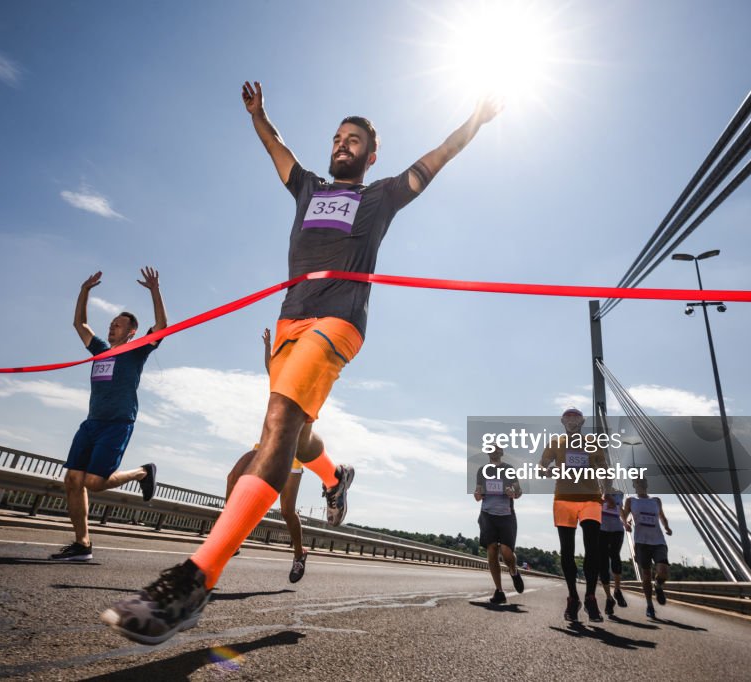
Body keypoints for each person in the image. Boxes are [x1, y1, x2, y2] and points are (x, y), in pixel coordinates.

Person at [101, 80, 502, 644]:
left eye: (353, 140)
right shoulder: (309, 188)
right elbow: (276, 148)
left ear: (371, 155)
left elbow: (434, 159)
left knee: (278, 426)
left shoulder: (382, 195)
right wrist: (259, 115)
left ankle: (193, 582)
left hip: (338, 321)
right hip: (291, 319)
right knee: (296, 428)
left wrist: (474, 120)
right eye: (337, 137)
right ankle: (335, 476)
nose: (342, 144)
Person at [49, 267, 167, 562]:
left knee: (94, 482)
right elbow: (79, 323)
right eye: (111, 323)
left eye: (118, 325)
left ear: (131, 332)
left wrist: (155, 290)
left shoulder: (137, 350)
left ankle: (142, 472)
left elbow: (162, 325)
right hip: (91, 423)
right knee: (73, 480)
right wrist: (84, 291)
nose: (112, 327)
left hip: (118, 422)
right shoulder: (100, 349)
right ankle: (82, 544)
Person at [225, 327, 330, 583]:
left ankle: (299, 553)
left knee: (286, 511)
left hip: (292, 453)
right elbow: (271, 368)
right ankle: (232, 535)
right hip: (265, 445)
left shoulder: (308, 383)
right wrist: (268, 347)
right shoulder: (282, 380)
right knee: (233, 477)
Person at [539, 407, 613, 623]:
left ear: (582, 422)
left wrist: (607, 489)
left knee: (593, 548)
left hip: (591, 499)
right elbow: (541, 465)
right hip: (564, 499)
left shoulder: (592, 442)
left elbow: (604, 467)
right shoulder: (555, 443)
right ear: (562, 421)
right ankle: (573, 597)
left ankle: (590, 597)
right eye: (568, 417)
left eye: (576, 417)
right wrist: (546, 470)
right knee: (567, 550)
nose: (572, 420)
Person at [474, 446, 524, 604]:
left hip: (506, 515)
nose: (494, 452)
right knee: (492, 549)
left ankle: (513, 571)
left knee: (506, 552)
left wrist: (513, 492)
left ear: (501, 453)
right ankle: (499, 591)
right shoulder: (482, 471)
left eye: (497, 450)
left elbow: (519, 491)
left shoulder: (509, 469)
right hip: (487, 514)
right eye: (491, 450)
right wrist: (478, 494)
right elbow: (478, 494)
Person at [622, 478, 672, 619]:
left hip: (658, 541)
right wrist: (626, 524)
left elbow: (662, 517)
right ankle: (650, 605)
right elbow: (624, 516)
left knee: (663, 571)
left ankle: (658, 585)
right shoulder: (631, 501)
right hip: (641, 542)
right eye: (638, 483)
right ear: (634, 486)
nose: (641, 485)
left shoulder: (656, 501)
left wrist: (667, 527)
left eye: (642, 482)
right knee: (646, 574)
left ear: (647, 485)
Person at [597, 486, 629, 615]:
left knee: (615, 557)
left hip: (617, 529)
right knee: (603, 563)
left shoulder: (620, 494)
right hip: (602, 530)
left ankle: (617, 590)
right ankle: (609, 598)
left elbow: (620, 510)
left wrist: (625, 522)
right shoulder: (598, 491)